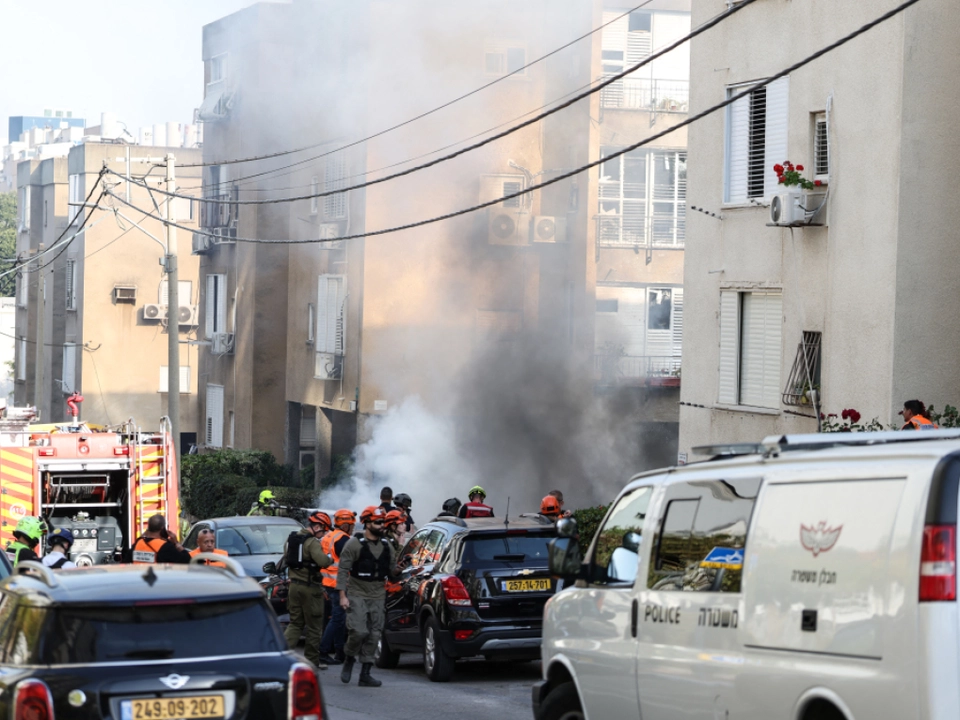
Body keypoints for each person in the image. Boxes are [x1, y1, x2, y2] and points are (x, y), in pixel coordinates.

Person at [338, 505, 398, 687]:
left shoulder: (387, 546)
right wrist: (342, 596)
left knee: (374, 633)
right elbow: (342, 570)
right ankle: (349, 658)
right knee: (358, 631)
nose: (382, 526)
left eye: (383, 522)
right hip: (357, 591)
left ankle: (365, 673)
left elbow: (393, 571)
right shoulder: (354, 544)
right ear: (367, 523)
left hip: (378, 593)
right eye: (378, 522)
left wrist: (401, 568)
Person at [283, 511, 334, 669]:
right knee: (314, 627)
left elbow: (286, 558)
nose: (324, 533)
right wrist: (329, 557)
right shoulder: (312, 542)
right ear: (317, 526)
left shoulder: (292, 538)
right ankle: (312, 662)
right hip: (310, 589)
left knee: (295, 624)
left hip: (294, 587)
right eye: (323, 530)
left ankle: (281, 656)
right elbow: (323, 561)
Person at [317, 509, 356, 666]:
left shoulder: (329, 536)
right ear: (345, 525)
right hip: (338, 585)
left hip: (328, 583)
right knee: (338, 619)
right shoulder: (343, 540)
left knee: (339, 619)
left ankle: (340, 653)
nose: (353, 528)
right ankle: (323, 651)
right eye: (352, 525)